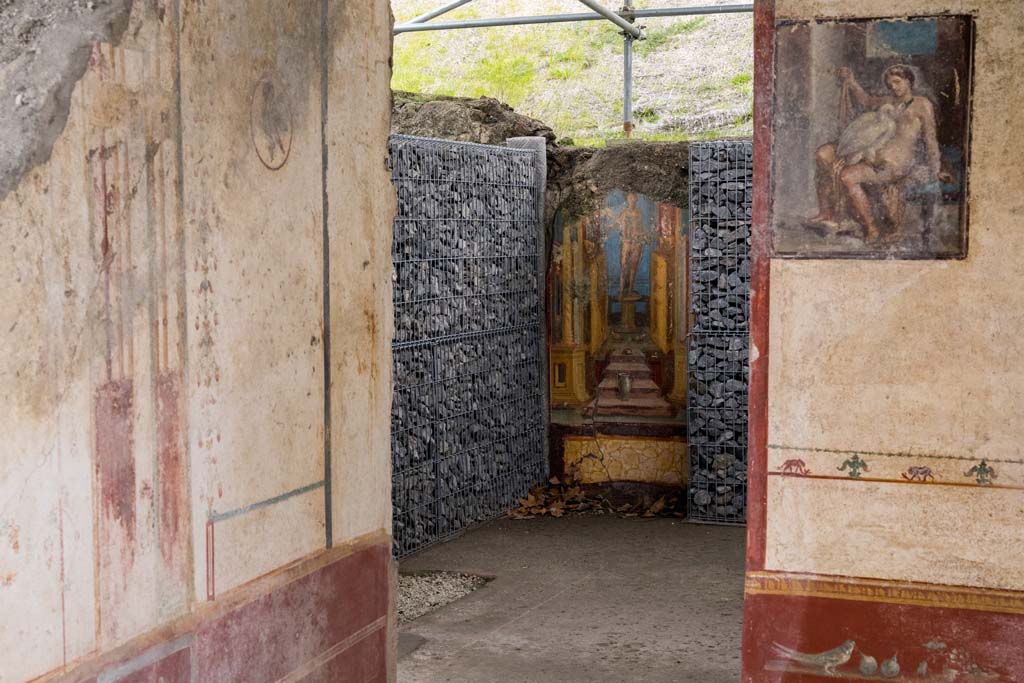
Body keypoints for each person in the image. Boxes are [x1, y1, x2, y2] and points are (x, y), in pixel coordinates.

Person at [810, 64, 944, 242]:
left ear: (909, 81)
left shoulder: (922, 104)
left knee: (847, 176)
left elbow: (931, 140)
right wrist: (851, 81)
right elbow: (865, 100)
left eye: (897, 82)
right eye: (890, 84)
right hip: (871, 154)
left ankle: (871, 227)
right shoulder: (888, 101)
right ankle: (826, 212)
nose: (894, 87)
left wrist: (935, 169)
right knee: (823, 153)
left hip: (895, 163)